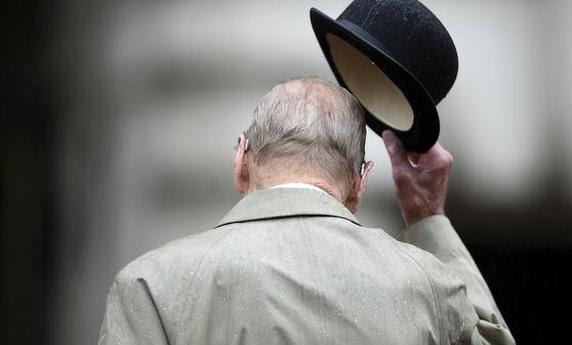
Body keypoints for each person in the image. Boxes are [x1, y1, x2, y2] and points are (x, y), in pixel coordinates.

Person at [98, 77, 515, 345]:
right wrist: (429, 219)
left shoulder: (150, 286)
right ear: (359, 183)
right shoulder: (427, 286)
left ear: (242, 159)